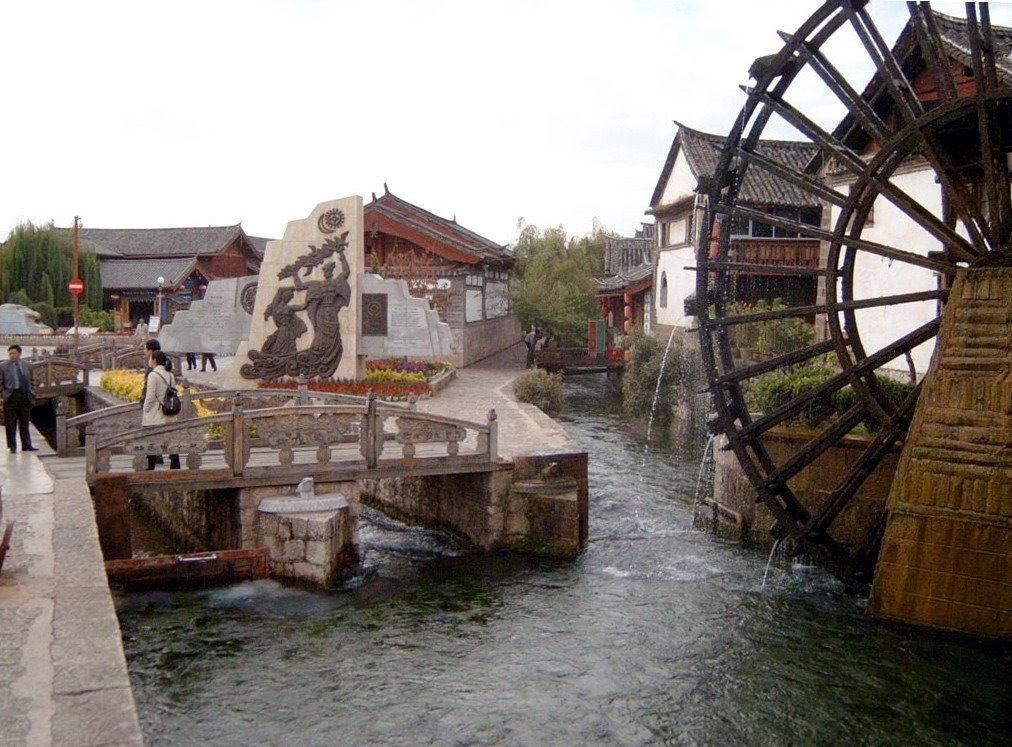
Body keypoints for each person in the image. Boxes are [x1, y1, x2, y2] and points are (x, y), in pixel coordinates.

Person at [142, 349, 180, 470]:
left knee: (152, 439)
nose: (149, 360)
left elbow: (150, 396)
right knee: (170, 438)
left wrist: (145, 410)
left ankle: (151, 466)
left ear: (154, 360)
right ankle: (175, 462)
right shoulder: (170, 374)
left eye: (150, 358)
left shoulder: (153, 375)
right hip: (169, 411)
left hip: (156, 412)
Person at [0, 345, 36, 452]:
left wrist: (33, 392)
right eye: (10, 354)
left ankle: (27, 445)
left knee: (24, 422)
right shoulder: (3, 366)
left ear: (19, 354)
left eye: (13, 353)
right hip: (11, 397)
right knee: (10, 423)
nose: (11, 356)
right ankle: (12, 446)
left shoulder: (28, 365)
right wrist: (2, 395)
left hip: (25, 396)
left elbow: (32, 381)